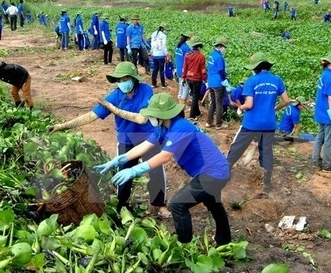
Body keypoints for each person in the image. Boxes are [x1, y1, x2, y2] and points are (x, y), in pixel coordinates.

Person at [93, 93, 232, 246]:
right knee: (213, 203)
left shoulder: (180, 127)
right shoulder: (163, 128)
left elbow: (165, 156)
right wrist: (121, 159)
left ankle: (184, 244)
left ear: (161, 115)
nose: (149, 118)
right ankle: (224, 239)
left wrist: (135, 170)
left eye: (151, 114)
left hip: (214, 173)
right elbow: (144, 146)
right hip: (211, 172)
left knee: (178, 205)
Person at [48, 62, 170, 218]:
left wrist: (113, 109)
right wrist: (62, 126)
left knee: (156, 170)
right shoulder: (113, 96)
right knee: (123, 173)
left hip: (148, 138)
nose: (122, 83)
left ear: (133, 79)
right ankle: (121, 207)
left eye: (125, 79)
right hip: (126, 139)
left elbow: (142, 119)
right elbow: (90, 116)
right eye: (119, 80)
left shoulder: (146, 90)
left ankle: (160, 205)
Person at [226, 53, 289, 196]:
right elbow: (286, 100)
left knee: (236, 148)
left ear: (255, 67)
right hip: (269, 123)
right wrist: (274, 109)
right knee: (266, 152)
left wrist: (240, 107)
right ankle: (266, 184)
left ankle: (225, 176)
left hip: (251, 123)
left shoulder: (251, 81)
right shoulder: (277, 80)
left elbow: (249, 104)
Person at [206, 37, 229, 130]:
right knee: (219, 103)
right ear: (220, 46)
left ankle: (209, 121)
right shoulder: (219, 57)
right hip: (218, 83)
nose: (225, 49)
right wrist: (224, 79)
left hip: (211, 82)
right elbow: (221, 70)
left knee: (213, 102)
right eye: (224, 47)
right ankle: (219, 124)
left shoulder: (211, 55)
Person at [181, 36, 206, 120]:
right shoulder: (201, 56)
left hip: (189, 78)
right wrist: (204, 79)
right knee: (195, 96)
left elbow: (185, 67)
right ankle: (192, 116)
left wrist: (183, 77)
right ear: (199, 46)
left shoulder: (187, 55)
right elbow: (203, 70)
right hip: (197, 79)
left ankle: (197, 112)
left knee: (194, 95)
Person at [174, 32, 193, 106]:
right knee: (185, 89)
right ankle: (182, 106)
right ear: (188, 39)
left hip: (178, 70)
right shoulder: (186, 48)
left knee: (181, 87)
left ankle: (179, 103)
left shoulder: (178, 46)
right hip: (184, 71)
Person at [150, 24, 170, 88]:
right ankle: (163, 84)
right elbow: (163, 46)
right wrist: (166, 54)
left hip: (155, 54)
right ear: (163, 29)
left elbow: (152, 45)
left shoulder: (153, 34)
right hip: (161, 55)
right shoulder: (163, 36)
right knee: (161, 70)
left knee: (155, 69)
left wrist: (152, 52)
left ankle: (153, 83)